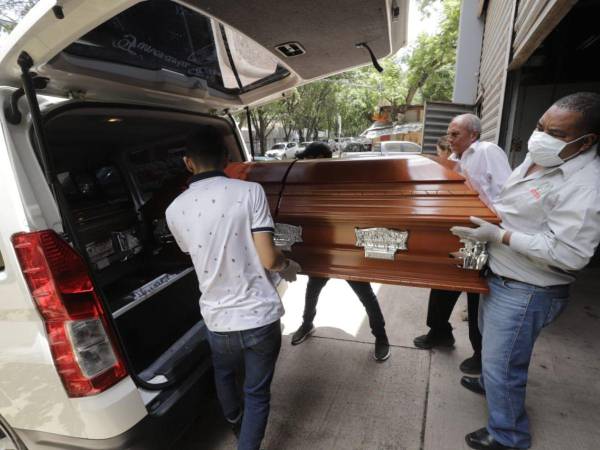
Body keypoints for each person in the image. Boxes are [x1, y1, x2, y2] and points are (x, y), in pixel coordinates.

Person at [452, 92, 600, 450]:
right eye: (540, 126)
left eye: (559, 133)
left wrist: (499, 235)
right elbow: (509, 201)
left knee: (504, 365)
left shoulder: (585, 185)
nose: (543, 136)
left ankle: (509, 435)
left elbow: (570, 253)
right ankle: (489, 383)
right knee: (492, 349)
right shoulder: (538, 158)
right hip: (502, 275)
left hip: (528, 287)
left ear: (587, 140)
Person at [165, 127, 301, 450]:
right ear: (227, 159)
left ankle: (238, 427)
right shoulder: (249, 192)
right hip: (258, 318)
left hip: (217, 320)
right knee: (256, 393)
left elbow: (194, 251)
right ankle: (247, 440)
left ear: (188, 163)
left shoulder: (173, 210)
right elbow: (269, 258)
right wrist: (289, 266)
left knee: (224, 376)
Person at [413, 114, 512, 375]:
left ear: (473, 135)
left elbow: (506, 193)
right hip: (460, 232)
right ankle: (440, 331)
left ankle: (481, 353)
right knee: (444, 281)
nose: (450, 139)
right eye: (449, 133)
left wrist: (494, 227)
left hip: (483, 233)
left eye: (455, 134)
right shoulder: (456, 159)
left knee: (475, 292)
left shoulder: (488, 152)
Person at [290, 142, 391, 361]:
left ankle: (381, 337)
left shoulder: (345, 178)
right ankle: (307, 324)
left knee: (366, 295)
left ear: (320, 157)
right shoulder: (310, 181)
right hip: (322, 249)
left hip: (347, 249)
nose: (307, 165)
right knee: (312, 289)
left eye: (309, 160)